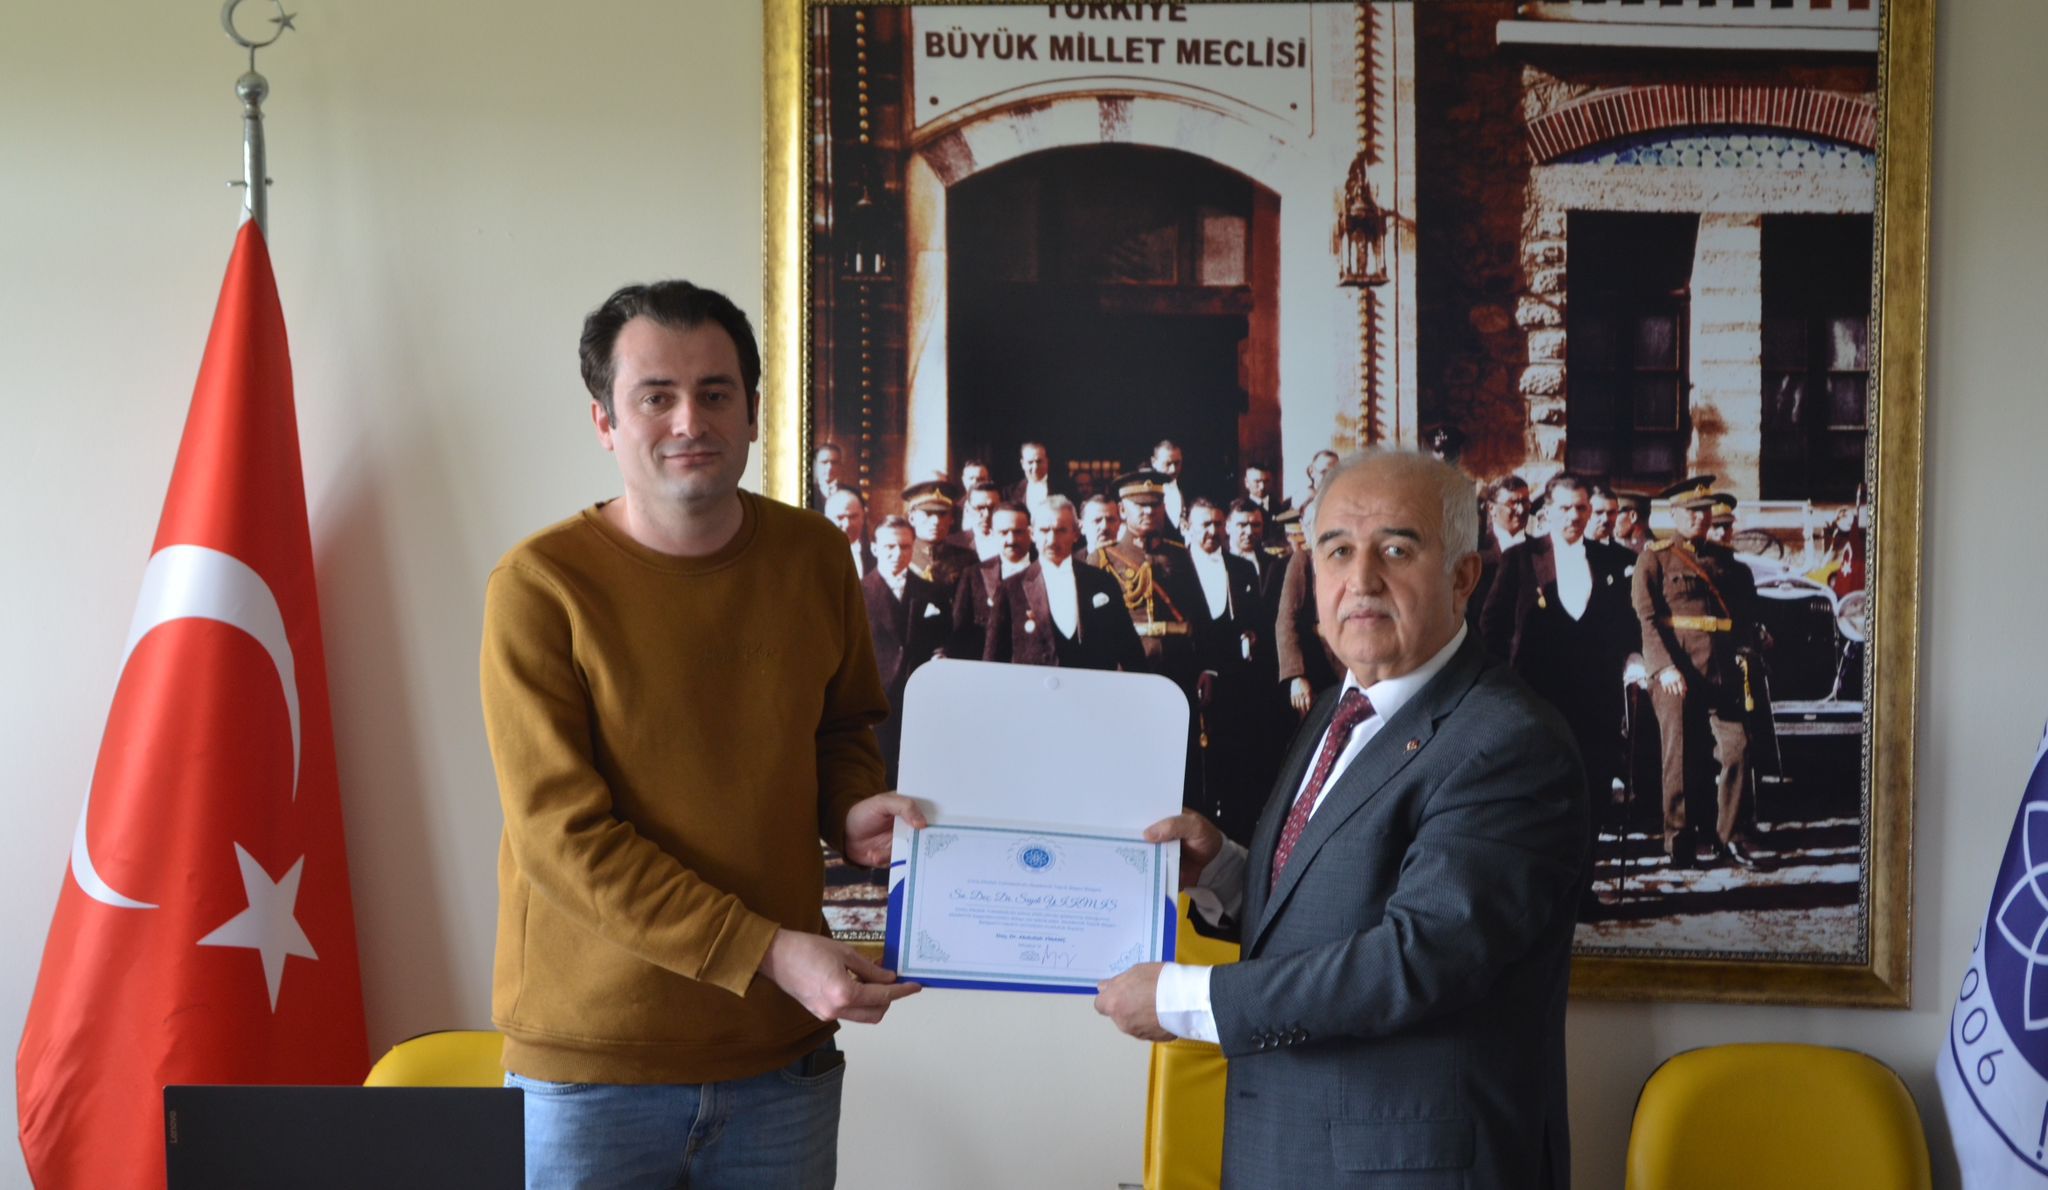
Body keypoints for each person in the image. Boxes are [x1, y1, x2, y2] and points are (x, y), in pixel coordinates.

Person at [481, 280, 922, 1188]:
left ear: (752, 412)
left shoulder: (815, 556)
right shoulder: (538, 588)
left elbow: (843, 726)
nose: (691, 420)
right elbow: (563, 839)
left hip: (780, 1061)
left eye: (716, 392)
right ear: (605, 422)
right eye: (657, 396)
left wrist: (850, 808)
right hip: (592, 1068)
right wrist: (769, 951)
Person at [1094, 450, 1587, 1188]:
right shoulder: (1339, 707)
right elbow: (1337, 902)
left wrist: (1186, 1000)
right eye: (1337, 551)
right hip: (1287, 1154)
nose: (1361, 579)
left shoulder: (1508, 741)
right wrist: (1225, 871)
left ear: (1463, 578)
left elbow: (1417, 959)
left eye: (1397, 549)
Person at [1481, 474, 1642, 893]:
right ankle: (1534, 890)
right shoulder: (1520, 559)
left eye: (1581, 508)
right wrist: (1499, 687)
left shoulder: (1610, 561)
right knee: (1537, 793)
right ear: (1548, 511)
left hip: (1595, 702)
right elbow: (1492, 627)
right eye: (1566, 508)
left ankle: (1581, 890)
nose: (1574, 516)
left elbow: (1627, 623)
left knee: (1591, 792)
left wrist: (1634, 657)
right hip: (1536, 700)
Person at [1632, 476, 1766, 870]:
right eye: (1692, 512)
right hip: (1676, 671)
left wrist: (1746, 648)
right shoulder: (1654, 559)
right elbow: (1647, 619)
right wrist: (1663, 667)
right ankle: (1679, 840)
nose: (1700, 518)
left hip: (1720, 672)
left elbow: (1742, 617)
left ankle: (1730, 836)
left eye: (1704, 511)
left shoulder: (1726, 563)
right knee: (1679, 757)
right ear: (1674, 514)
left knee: (1737, 748)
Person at [1187, 498, 1272, 844]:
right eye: (1205, 524)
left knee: (1234, 763)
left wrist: (1251, 634)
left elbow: (1255, 621)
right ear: (1188, 527)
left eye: (1218, 524)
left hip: (1236, 682)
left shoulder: (1241, 568)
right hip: (1194, 676)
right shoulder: (1176, 568)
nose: (1213, 531)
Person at [985, 495, 1143, 671]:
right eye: (1044, 530)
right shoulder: (1010, 589)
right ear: (1032, 534)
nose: (1052, 539)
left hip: (1092, 686)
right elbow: (993, 662)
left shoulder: (1102, 582)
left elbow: (1131, 652)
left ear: (1075, 533)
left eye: (1061, 530)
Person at [863, 516, 949, 784]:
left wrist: (940, 655)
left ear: (913, 547)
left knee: (915, 774)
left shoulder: (931, 591)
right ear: (875, 548)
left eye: (904, 546)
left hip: (918, 699)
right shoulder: (858, 591)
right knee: (878, 775)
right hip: (876, 701)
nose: (897, 554)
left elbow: (943, 638)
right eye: (889, 547)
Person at [949, 502, 1034, 659]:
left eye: (1018, 532)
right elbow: (959, 634)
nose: (1011, 540)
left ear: (1031, 532)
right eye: (1003, 532)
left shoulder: (1046, 572)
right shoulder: (973, 575)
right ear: (993, 533)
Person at [903, 479, 977, 592]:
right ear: (912, 518)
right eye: (928, 514)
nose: (936, 521)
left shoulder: (968, 560)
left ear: (951, 519)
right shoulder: (900, 558)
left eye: (942, 514)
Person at [1006, 440, 1074, 510]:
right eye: (1030, 462)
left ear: (1047, 462)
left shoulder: (1065, 489)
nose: (1035, 467)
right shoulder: (1010, 492)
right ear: (1023, 464)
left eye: (1039, 461)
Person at [823, 487, 872, 578]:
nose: (847, 525)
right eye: (840, 518)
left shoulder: (876, 557)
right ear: (826, 519)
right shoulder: (815, 557)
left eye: (853, 517)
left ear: (863, 517)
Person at [1151, 439, 1188, 541]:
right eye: (1167, 464)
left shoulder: (1189, 489)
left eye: (1177, 463)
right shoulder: (1147, 493)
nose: (1173, 469)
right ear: (1154, 462)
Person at [1080, 493, 1123, 557]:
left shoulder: (1131, 559)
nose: (1104, 526)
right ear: (1082, 527)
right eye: (1097, 521)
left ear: (1120, 522)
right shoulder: (1071, 562)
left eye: (1111, 520)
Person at [811, 441, 850, 510]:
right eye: (824, 462)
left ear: (840, 465)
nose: (829, 467)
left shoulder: (850, 493)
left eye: (834, 463)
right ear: (816, 465)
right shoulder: (808, 491)